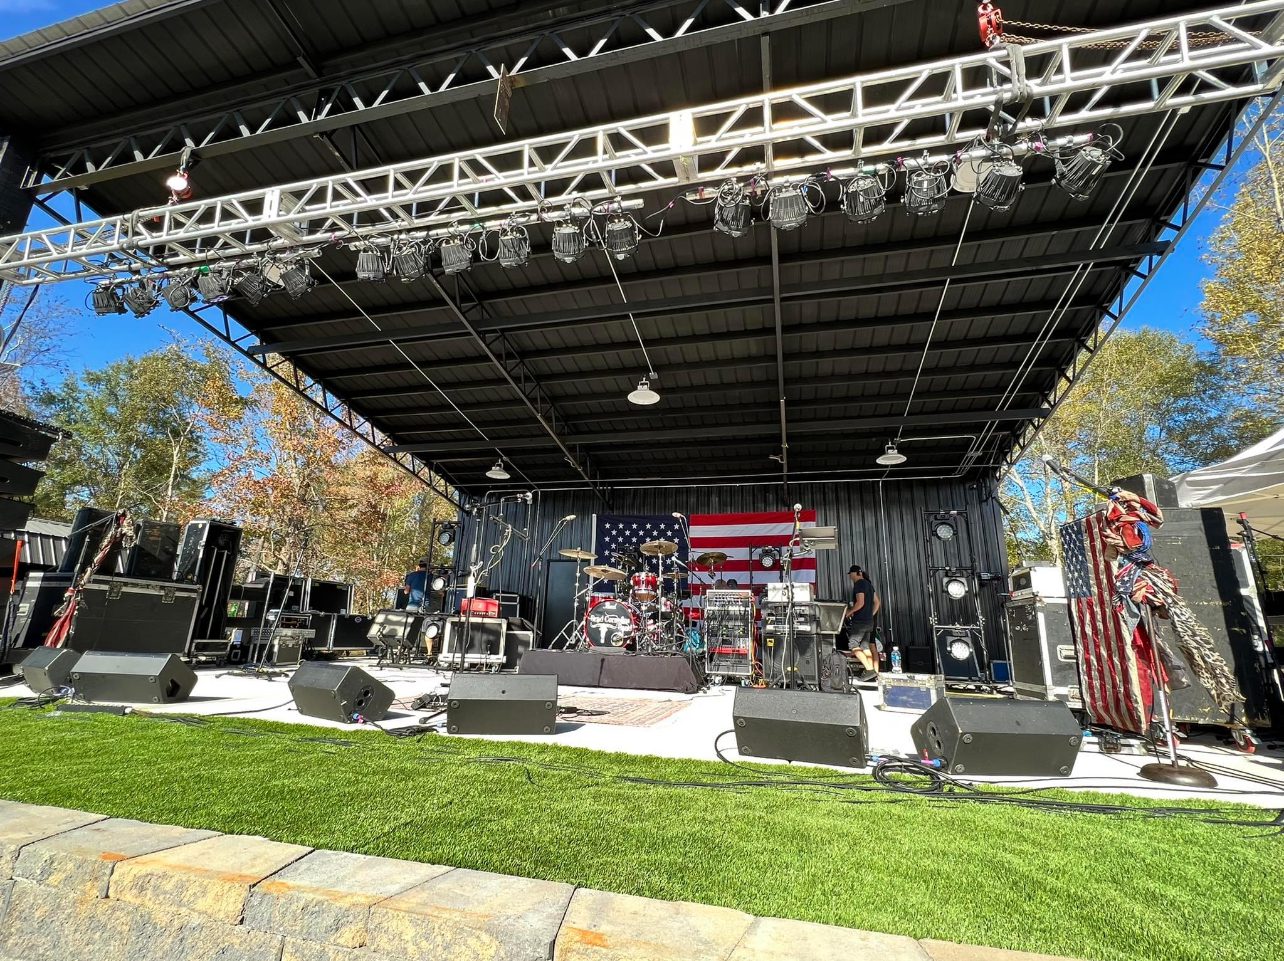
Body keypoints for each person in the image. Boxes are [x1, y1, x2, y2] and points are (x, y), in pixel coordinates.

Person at [841, 564, 881, 682]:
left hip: (860, 621)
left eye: (850, 574)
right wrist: (871, 615)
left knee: (853, 645)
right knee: (864, 646)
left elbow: (860, 603)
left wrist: (849, 612)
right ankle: (872, 675)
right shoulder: (869, 585)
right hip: (869, 622)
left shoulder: (859, 584)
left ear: (855, 573)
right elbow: (877, 602)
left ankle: (869, 670)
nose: (850, 577)